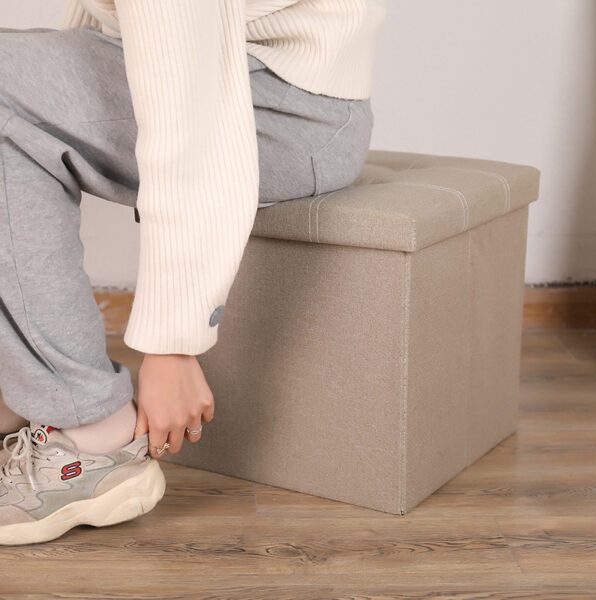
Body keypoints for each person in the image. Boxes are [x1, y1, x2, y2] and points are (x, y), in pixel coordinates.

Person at [0, 0, 387, 545]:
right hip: (233, 76)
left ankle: (91, 442)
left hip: (280, 107)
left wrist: (174, 343)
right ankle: (25, 399)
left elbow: (193, 109)